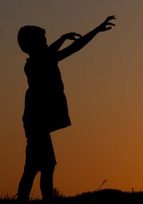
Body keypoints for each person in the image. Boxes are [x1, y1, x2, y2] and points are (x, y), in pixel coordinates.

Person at [16, 15, 116, 204]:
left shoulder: (35, 61)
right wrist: (96, 30)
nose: (46, 43)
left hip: (34, 122)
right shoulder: (41, 62)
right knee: (42, 167)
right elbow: (74, 48)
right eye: (43, 41)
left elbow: (49, 52)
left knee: (37, 166)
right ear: (34, 44)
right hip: (36, 122)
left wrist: (61, 38)